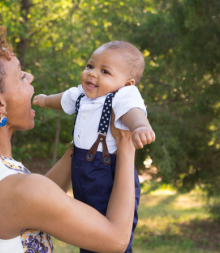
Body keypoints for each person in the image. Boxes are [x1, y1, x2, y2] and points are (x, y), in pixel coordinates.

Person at [0, 24, 137, 253]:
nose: (31, 77)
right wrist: (125, 143)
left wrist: (88, 133)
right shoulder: (22, 192)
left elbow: (40, 199)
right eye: (21, 76)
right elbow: (116, 241)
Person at [32, 41, 156, 252]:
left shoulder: (122, 96)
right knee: (90, 229)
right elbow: (63, 99)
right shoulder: (81, 94)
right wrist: (44, 101)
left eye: (105, 71)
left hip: (108, 172)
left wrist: (140, 126)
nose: (92, 74)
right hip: (82, 168)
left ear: (128, 83)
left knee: (110, 232)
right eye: (90, 66)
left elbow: (133, 112)